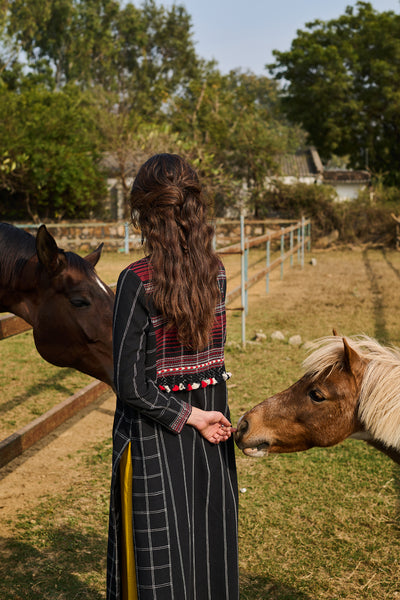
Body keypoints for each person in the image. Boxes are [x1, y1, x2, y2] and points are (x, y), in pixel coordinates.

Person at [106, 153, 239, 600]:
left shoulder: (136, 281)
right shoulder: (216, 272)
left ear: (144, 213)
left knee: (158, 561)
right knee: (206, 545)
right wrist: (204, 416)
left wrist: (189, 417)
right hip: (212, 431)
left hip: (154, 440)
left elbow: (130, 386)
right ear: (194, 208)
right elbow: (212, 364)